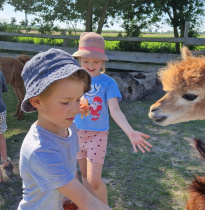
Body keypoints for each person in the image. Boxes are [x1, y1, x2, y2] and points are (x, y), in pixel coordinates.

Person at [18, 48, 110, 210]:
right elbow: (88, 203)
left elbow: (70, 168)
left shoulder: (70, 127)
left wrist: (69, 200)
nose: (75, 109)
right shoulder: (41, 150)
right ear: (37, 101)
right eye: (65, 102)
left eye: (77, 99)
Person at [72, 32, 153, 205]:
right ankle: (89, 206)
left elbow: (115, 111)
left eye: (96, 61)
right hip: (76, 133)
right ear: (79, 60)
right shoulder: (74, 80)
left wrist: (130, 132)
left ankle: (103, 207)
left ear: (102, 61)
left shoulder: (108, 83)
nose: (91, 65)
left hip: (97, 136)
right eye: (86, 61)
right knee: (84, 175)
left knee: (94, 179)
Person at [0, 70, 10, 184]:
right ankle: (5, 160)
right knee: (0, 134)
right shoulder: (0, 73)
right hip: (1, 110)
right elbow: (4, 89)